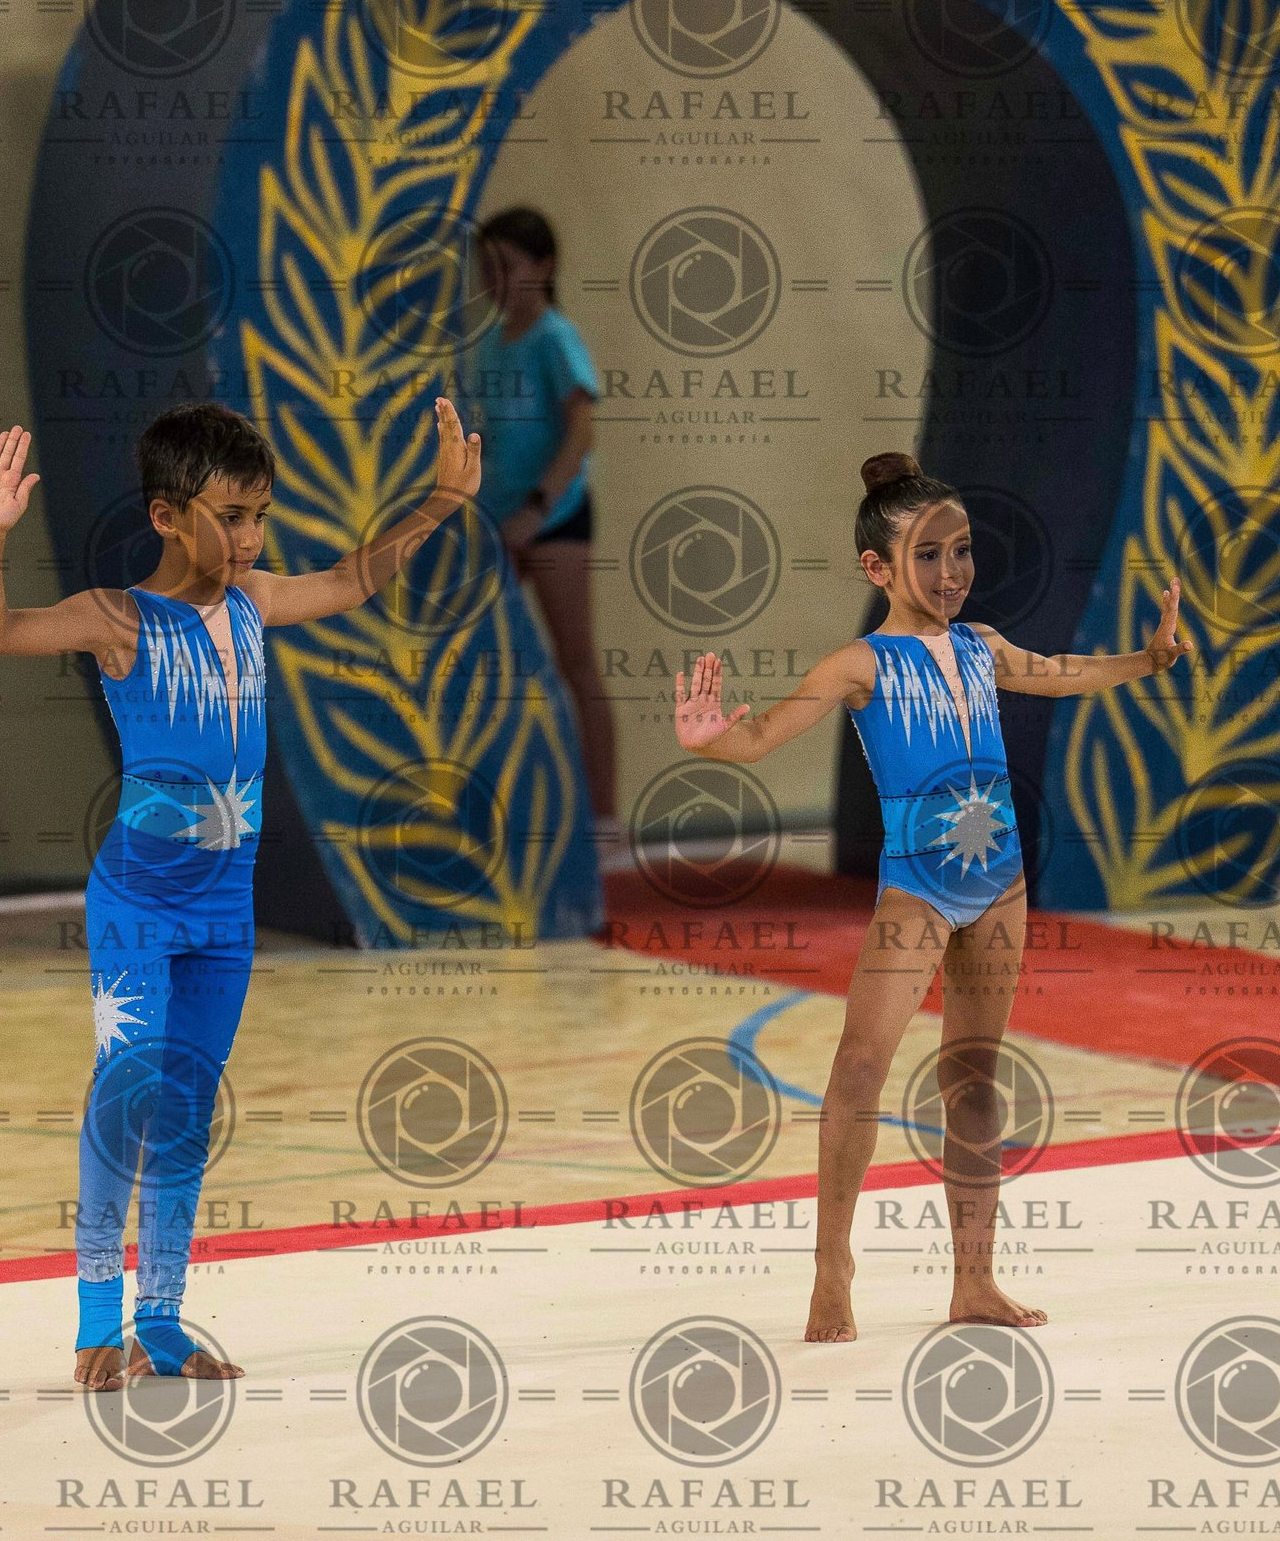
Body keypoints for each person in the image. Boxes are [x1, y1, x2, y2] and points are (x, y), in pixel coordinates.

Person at [0, 398, 483, 1389]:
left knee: (189, 1108)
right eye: (231, 516)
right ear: (165, 516)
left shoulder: (255, 601)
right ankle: (96, 1320)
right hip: (138, 902)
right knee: (127, 1093)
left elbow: (351, 578)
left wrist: (440, 503)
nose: (250, 538)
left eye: (260, 516)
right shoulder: (117, 618)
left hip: (223, 911)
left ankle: (160, 1321)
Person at [671, 452, 1194, 1342]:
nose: (951, 572)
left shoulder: (983, 646)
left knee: (974, 1075)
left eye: (961, 551)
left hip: (1000, 887)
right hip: (917, 890)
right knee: (859, 1067)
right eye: (927, 556)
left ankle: (974, 1281)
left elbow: (1060, 671)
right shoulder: (859, 664)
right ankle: (832, 1269)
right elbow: (762, 733)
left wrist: (1146, 661)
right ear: (877, 569)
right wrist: (712, 740)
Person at [466, 206, 618, 842]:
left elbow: (581, 432)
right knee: (482, 662)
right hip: (501, 524)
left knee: (575, 661)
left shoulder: (556, 337)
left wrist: (537, 506)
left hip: (554, 518)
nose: (494, 280)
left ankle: (605, 821)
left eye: (507, 266)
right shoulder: (487, 346)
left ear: (545, 267)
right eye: (486, 268)